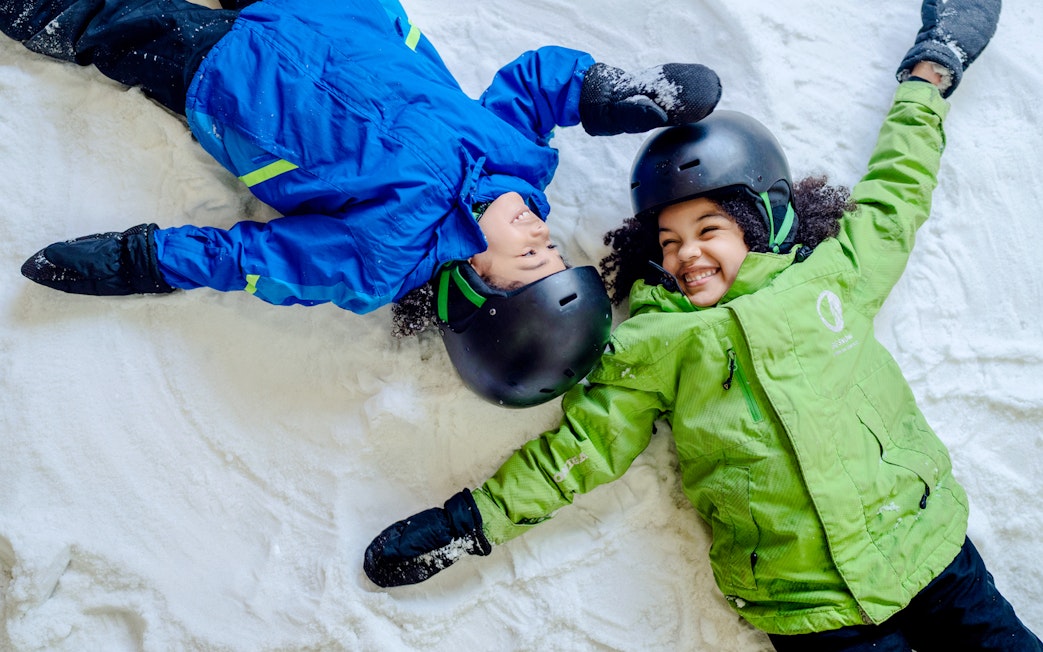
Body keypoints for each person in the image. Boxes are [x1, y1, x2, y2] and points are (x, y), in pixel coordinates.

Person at [363, 1, 1043, 649]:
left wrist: (930, 70)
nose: (686, 253)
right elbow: (578, 455)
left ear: (761, 222)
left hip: (925, 548)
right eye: (667, 243)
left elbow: (896, 191)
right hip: (804, 604)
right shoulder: (649, 344)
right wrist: (468, 524)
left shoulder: (831, 276)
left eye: (708, 229)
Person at [1, 0, 722, 406]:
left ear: (476, 282)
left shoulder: (383, 256)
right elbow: (536, 83)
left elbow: (249, 259)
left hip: (233, 78)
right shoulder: (519, 158)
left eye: (528, 257)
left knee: (101, 17)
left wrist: (137, 260)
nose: (540, 232)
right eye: (551, 247)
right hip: (338, 15)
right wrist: (606, 91)